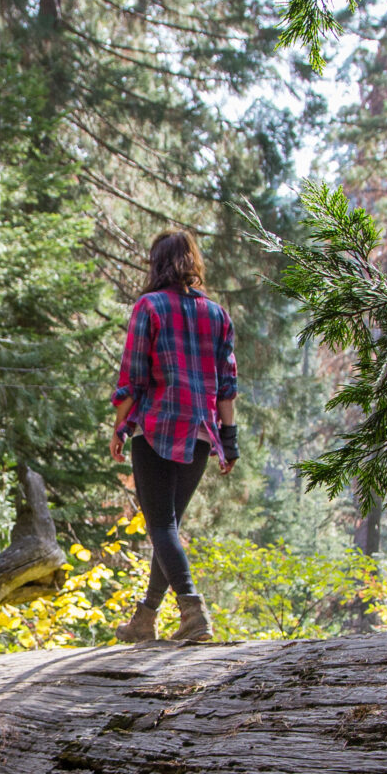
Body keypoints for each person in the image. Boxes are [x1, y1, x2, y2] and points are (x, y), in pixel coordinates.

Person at [109, 229, 238, 642]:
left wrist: (120, 426)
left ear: (158, 262)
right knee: (168, 527)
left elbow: (133, 377)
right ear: (192, 262)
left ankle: (193, 612)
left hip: (156, 428)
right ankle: (145, 620)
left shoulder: (149, 307)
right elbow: (227, 385)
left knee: (161, 525)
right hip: (200, 432)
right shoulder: (217, 315)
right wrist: (229, 439)